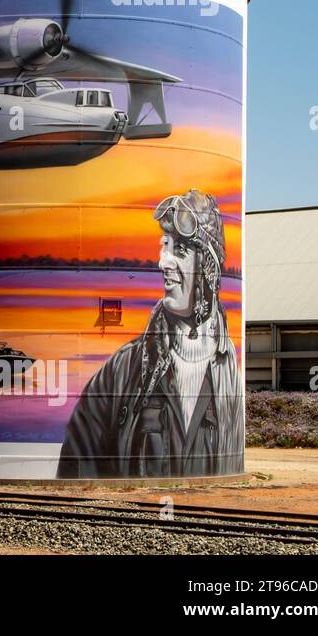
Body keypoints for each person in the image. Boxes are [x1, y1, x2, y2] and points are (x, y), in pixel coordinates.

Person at [57, 189, 244, 479]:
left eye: (179, 251)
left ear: (208, 269)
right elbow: (78, 468)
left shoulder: (230, 370)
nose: (164, 262)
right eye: (164, 246)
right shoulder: (123, 371)